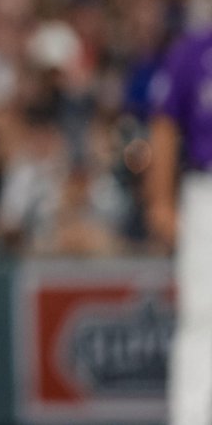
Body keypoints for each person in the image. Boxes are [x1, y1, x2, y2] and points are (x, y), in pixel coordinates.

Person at [146, 23, 212, 425]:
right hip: (207, 194)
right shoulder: (196, 51)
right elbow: (165, 125)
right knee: (201, 316)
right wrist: (160, 201)